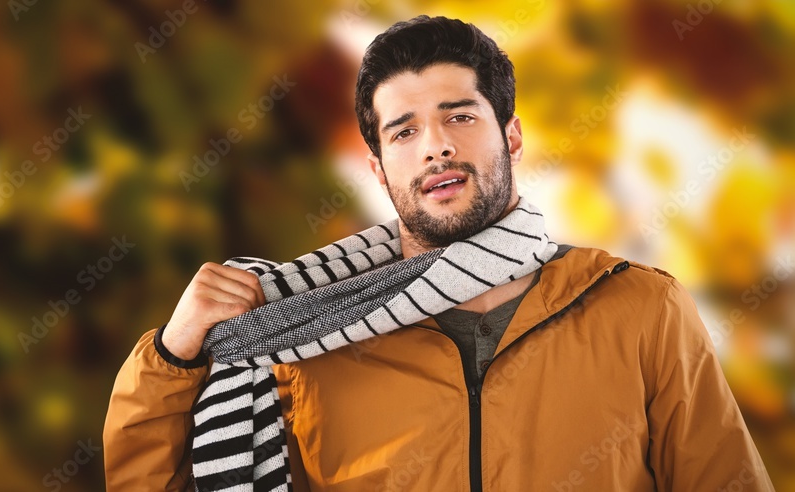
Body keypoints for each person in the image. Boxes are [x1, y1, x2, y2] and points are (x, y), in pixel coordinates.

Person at [103, 15, 775, 491]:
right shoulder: (303, 339)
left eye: (460, 116)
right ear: (378, 169)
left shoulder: (638, 308)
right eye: (403, 131)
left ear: (510, 136)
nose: (436, 146)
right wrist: (173, 356)